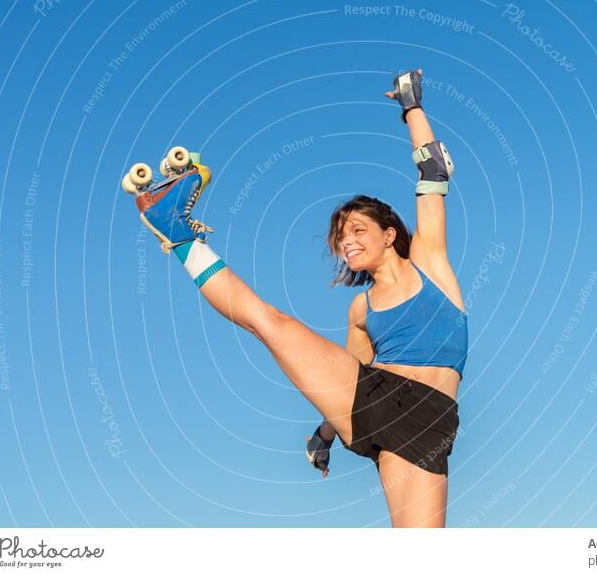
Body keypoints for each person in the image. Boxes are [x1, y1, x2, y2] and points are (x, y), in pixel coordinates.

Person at [132, 69, 467, 528]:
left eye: (356, 231)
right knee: (268, 321)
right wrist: (325, 433)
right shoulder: (361, 308)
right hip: (376, 403)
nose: (346, 243)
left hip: (432, 424)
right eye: (340, 237)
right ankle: (177, 233)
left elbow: (432, 170)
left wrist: (412, 107)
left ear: (390, 234)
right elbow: (347, 379)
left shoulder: (430, 260)